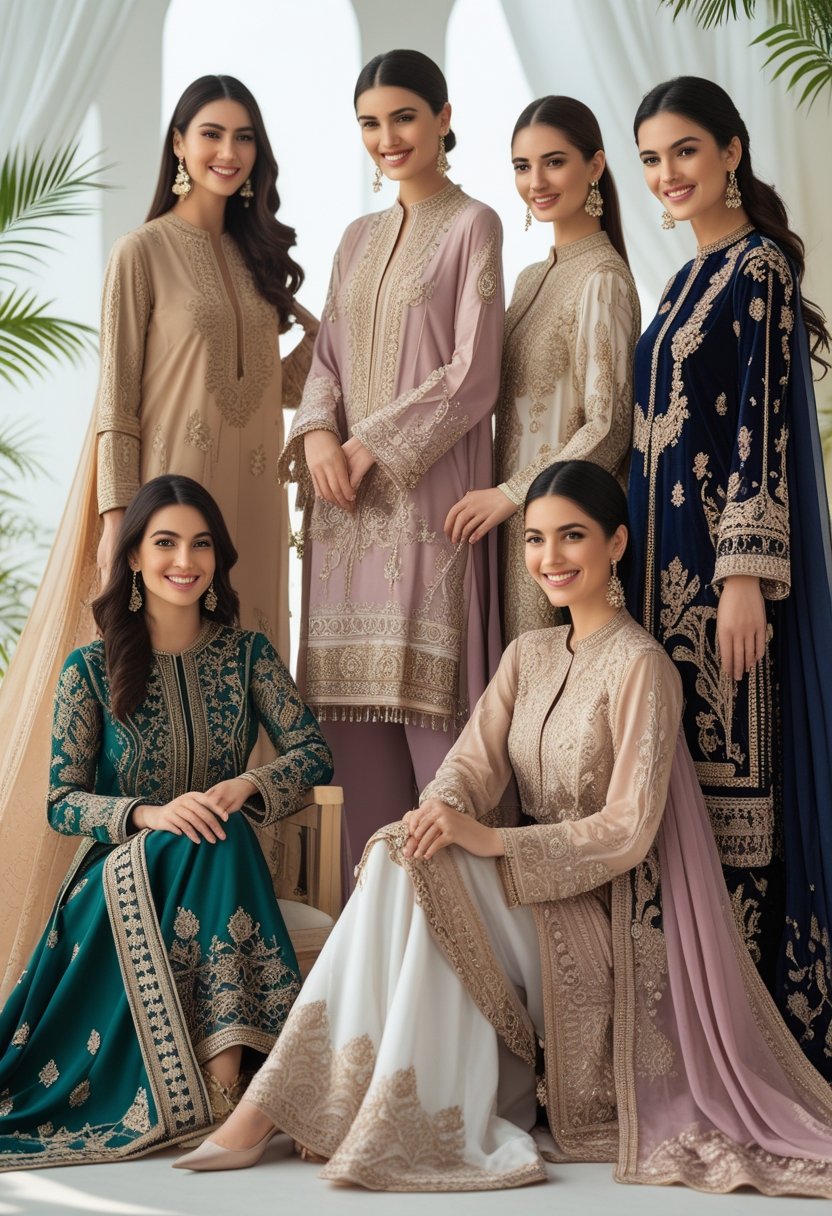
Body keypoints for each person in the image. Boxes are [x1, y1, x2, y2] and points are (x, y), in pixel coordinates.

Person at [176, 460, 832, 1196]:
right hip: (524, 902)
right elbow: (469, 767)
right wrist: (435, 813)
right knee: (402, 850)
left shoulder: (642, 667)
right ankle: (358, 1109)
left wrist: (493, 840)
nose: (550, 559)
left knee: (423, 865)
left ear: (616, 544)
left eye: (572, 537)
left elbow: (627, 831)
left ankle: (296, 1111)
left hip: (600, 919)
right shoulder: (530, 655)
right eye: (536, 539)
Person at [0, 74, 314, 996]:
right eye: (210, 133)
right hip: (166, 507)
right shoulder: (142, 253)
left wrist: (332, 353)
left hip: (250, 510)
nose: (229, 152)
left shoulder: (259, 263)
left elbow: (275, 387)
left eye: (245, 137)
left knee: (241, 687)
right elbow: (117, 402)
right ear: (178, 143)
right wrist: (114, 529)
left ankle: (239, 943)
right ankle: (115, 942)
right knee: (132, 697)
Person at [0, 475, 332, 1170]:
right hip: (121, 880)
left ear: (217, 560)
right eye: (166, 542)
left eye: (201, 544)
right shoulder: (89, 669)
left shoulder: (248, 657)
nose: (186, 559)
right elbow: (62, 800)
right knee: (218, 832)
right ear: (133, 559)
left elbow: (313, 754)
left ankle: (222, 1090)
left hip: (218, 864)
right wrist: (150, 813)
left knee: (223, 827)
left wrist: (245, 783)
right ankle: (232, 1093)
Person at [627, 76, 832, 1075]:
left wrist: (743, 572)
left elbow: (757, 419)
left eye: (684, 153)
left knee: (738, 790)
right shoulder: (681, 279)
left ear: (732, 151)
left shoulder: (755, 268)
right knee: (685, 795)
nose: (668, 175)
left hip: (718, 582)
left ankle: (754, 1043)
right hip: (657, 576)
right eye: (652, 160)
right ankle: (692, 1033)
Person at [279, 49, 504, 877]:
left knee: (435, 739)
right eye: (370, 123)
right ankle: (370, 961)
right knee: (348, 746)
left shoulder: (474, 223)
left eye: (404, 117)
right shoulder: (355, 238)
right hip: (341, 520)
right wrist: (315, 436)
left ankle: (455, 968)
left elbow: (474, 374)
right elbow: (327, 360)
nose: (388, 137)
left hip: (424, 506)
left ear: (443, 118)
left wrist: (373, 440)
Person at [445, 97, 639, 642]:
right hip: (512, 527)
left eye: (554, 162)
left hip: (562, 528)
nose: (537, 181)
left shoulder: (602, 278)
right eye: (522, 166)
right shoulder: (531, 278)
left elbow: (608, 428)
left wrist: (511, 495)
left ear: (595, 166)